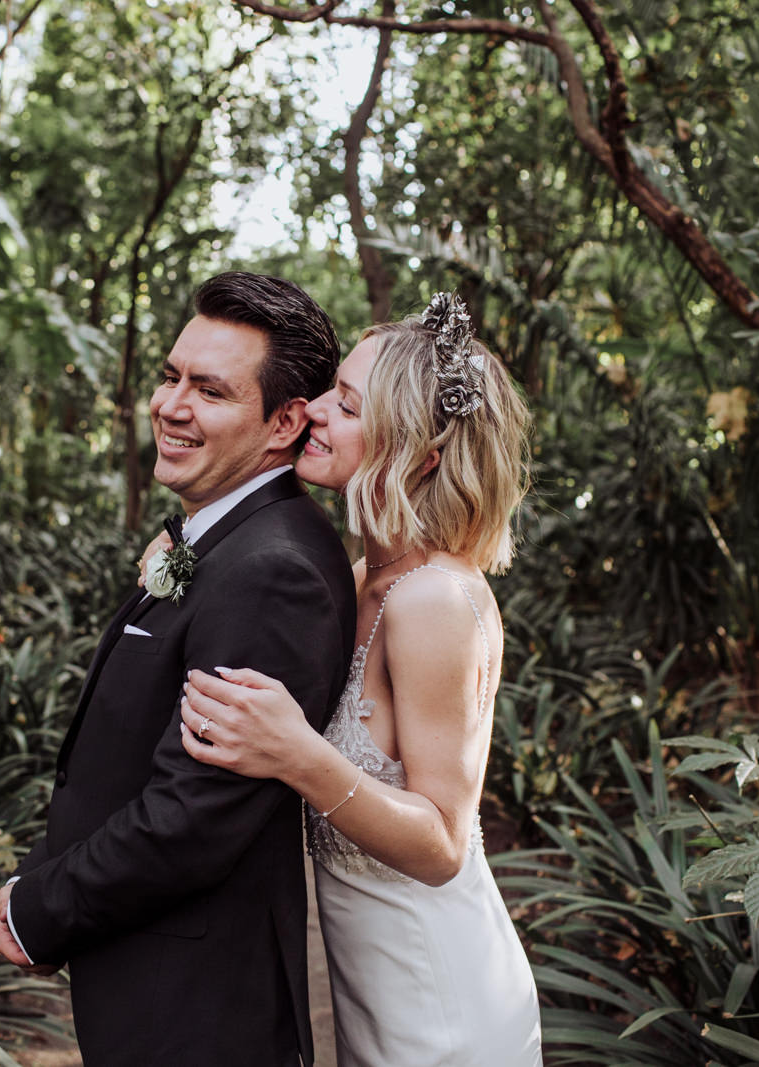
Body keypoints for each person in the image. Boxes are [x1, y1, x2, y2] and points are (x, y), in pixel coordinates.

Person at [0, 272, 358, 1066]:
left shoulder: (275, 570)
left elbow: (195, 814)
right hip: (150, 970)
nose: (170, 404)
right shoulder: (225, 539)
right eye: (170, 376)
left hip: (195, 1006)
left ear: (284, 421)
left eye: (211, 390)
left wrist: (39, 905)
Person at [174, 294, 545, 1066]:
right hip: (371, 995)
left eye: (346, 404)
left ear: (421, 451)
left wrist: (296, 753)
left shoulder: (435, 601)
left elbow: (445, 840)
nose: (311, 411)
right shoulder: (360, 577)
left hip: (441, 1005)